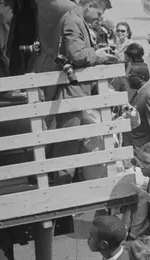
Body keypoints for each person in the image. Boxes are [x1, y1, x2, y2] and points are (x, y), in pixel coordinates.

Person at [50, 0, 117, 185]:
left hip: (76, 94)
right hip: (73, 95)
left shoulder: (75, 19)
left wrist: (96, 52)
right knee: (67, 149)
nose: (99, 18)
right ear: (90, 6)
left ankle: (62, 194)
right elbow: (77, 55)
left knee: (69, 147)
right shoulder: (74, 20)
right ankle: (62, 201)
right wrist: (98, 56)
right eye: (99, 14)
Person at [123, 64, 150, 150]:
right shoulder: (141, 91)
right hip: (134, 145)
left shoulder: (149, 94)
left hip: (142, 147)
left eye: (131, 75)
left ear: (141, 78)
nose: (127, 78)